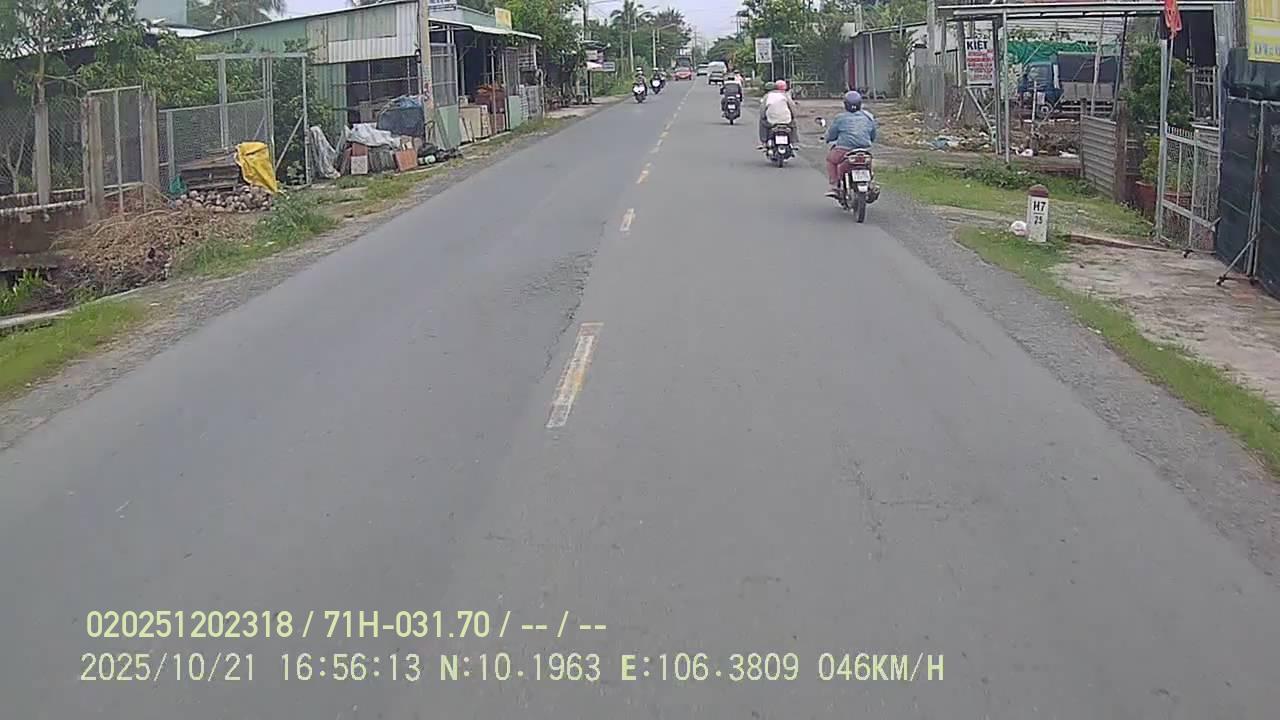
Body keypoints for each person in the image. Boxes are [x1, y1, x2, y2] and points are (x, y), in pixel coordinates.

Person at [823, 90, 877, 198]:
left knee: (830, 160)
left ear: (845, 104)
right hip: (864, 149)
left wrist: (827, 139)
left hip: (844, 150)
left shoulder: (840, 118)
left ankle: (834, 185)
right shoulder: (868, 117)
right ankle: (871, 183)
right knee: (868, 163)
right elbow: (873, 133)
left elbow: (832, 134)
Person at [758, 79, 798, 149]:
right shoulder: (784, 95)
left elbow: (762, 111)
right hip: (786, 121)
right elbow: (792, 107)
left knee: (762, 123)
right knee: (793, 125)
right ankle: (794, 142)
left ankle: (763, 142)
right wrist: (793, 116)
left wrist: (763, 117)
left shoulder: (766, 97)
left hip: (771, 121)